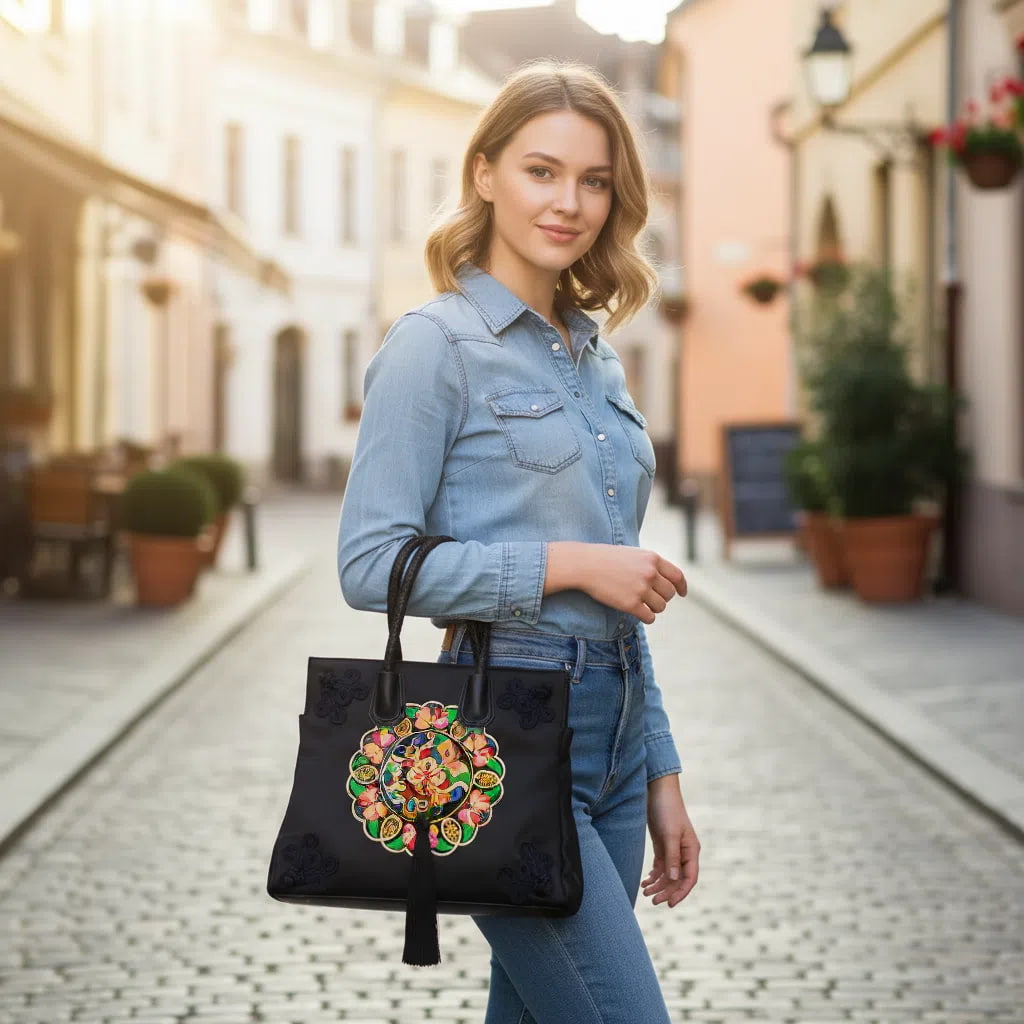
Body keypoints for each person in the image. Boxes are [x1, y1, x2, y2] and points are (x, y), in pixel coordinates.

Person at [337, 60, 700, 1023]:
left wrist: (658, 768)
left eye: (594, 181)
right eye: (543, 171)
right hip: (498, 733)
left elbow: (624, 604)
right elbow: (369, 565)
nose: (568, 202)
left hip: (613, 739)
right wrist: (572, 565)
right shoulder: (434, 344)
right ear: (487, 172)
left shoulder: (593, 354)